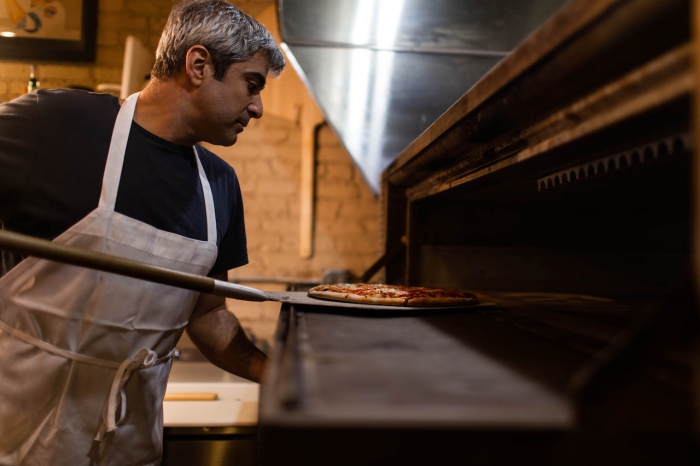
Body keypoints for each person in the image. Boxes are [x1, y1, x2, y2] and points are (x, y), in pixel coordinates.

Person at [0, 0, 285, 464]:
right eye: (251, 85)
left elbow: (209, 317)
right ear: (198, 65)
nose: (257, 107)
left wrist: (280, 374)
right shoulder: (54, 126)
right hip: (20, 437)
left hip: (130, 446)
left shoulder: (219, 186)